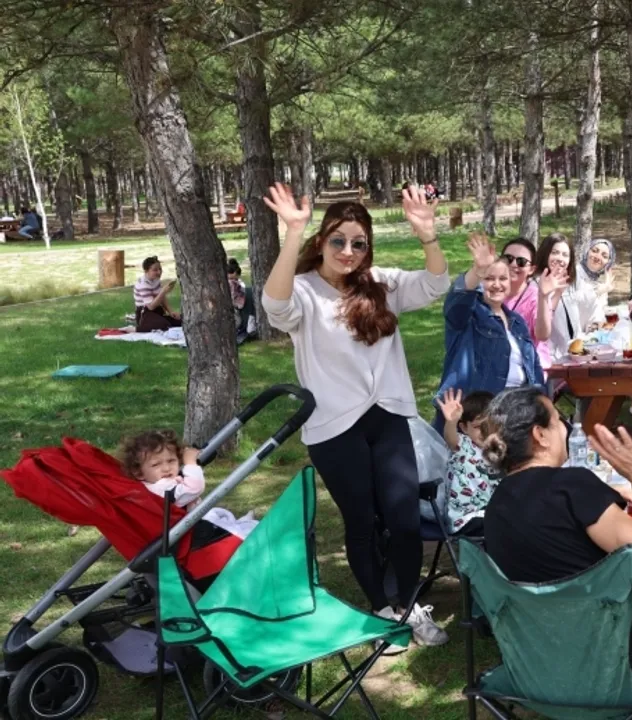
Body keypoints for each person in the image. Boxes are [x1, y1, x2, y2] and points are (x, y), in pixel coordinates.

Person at [261, 181, 450, 646]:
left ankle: (408, 604)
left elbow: (435, 283)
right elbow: (275, 307)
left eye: (358, 243)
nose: (348, 252)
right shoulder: (304, 290)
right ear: (322, 241)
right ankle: (383, 607)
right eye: (338, 241)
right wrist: (292, 232)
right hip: (333, 427)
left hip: (388, 418)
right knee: (362, 521)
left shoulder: (381, 283)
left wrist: (427, 234)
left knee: (404, 519)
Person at [480, 387, 632, 680]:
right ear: (540, 435)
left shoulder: (497, 503)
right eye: (558, 421)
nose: (565, 430)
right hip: (607, 658)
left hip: (539, 658)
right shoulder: (572, 485)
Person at [437, 233, 543, 413]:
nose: (496, 284)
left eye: (503, 278)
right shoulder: (469, 315)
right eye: (489, 278)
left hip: (519, 407)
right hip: (478, 412)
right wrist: (478, 270)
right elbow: (456, 301)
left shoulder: (517, 323)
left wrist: (543, 404)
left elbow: (535, 369)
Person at [118, 430, 257, 539]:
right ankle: (245, 525)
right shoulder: (161, 489)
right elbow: (194, 487)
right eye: (156, 464)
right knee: (243, 531)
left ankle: (242, 524)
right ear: (139, 473)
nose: (166, 468)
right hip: (195, 531)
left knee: (223, 519)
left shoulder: (149, 486)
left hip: (194, 524)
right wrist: (190, 463)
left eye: (171, 461)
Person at [435, 389, 499, 534]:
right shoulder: (464, 445)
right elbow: (451, 438)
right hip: (465, 519)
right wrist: (451, 421)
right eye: (478, 427)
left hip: (490, 513)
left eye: (490, 425)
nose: (485, 431)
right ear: (464, 427)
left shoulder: (499, 449)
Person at [532, 233, 592, 367]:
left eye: (565, 255)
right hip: (548, 363)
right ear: (545, 254)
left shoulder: (567, 285)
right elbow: (540, 330)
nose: (560, 258)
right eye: (555, 253)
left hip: (573, 360)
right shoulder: (535, 286)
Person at [499, 237, 540, 331]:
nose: (513, 264)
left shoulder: (536, 299)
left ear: (531, 269)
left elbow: (542, 334)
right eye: (508, 258)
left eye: (521, 261)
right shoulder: (489, 289)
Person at [133, 256, 182, 332]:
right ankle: (136, 329)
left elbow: (161, 298)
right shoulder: (143, 284)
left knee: (180, 320)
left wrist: (171, 312)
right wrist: (163, 291)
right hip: (145, 313)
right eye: (155, 270)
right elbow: (150, 307)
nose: (159, 272)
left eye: (160, 269)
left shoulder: (155, 280)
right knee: (164, 325)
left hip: (156, 311)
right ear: (146, 271)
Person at [577, 238, 616, 328]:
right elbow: (574, 305)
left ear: (608, 263)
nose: (598, 257)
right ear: (587, 252)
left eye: (604, 256)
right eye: (594, 251)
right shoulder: (574, 274)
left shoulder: (600, 282)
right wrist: (598, 291)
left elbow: (600, 311)